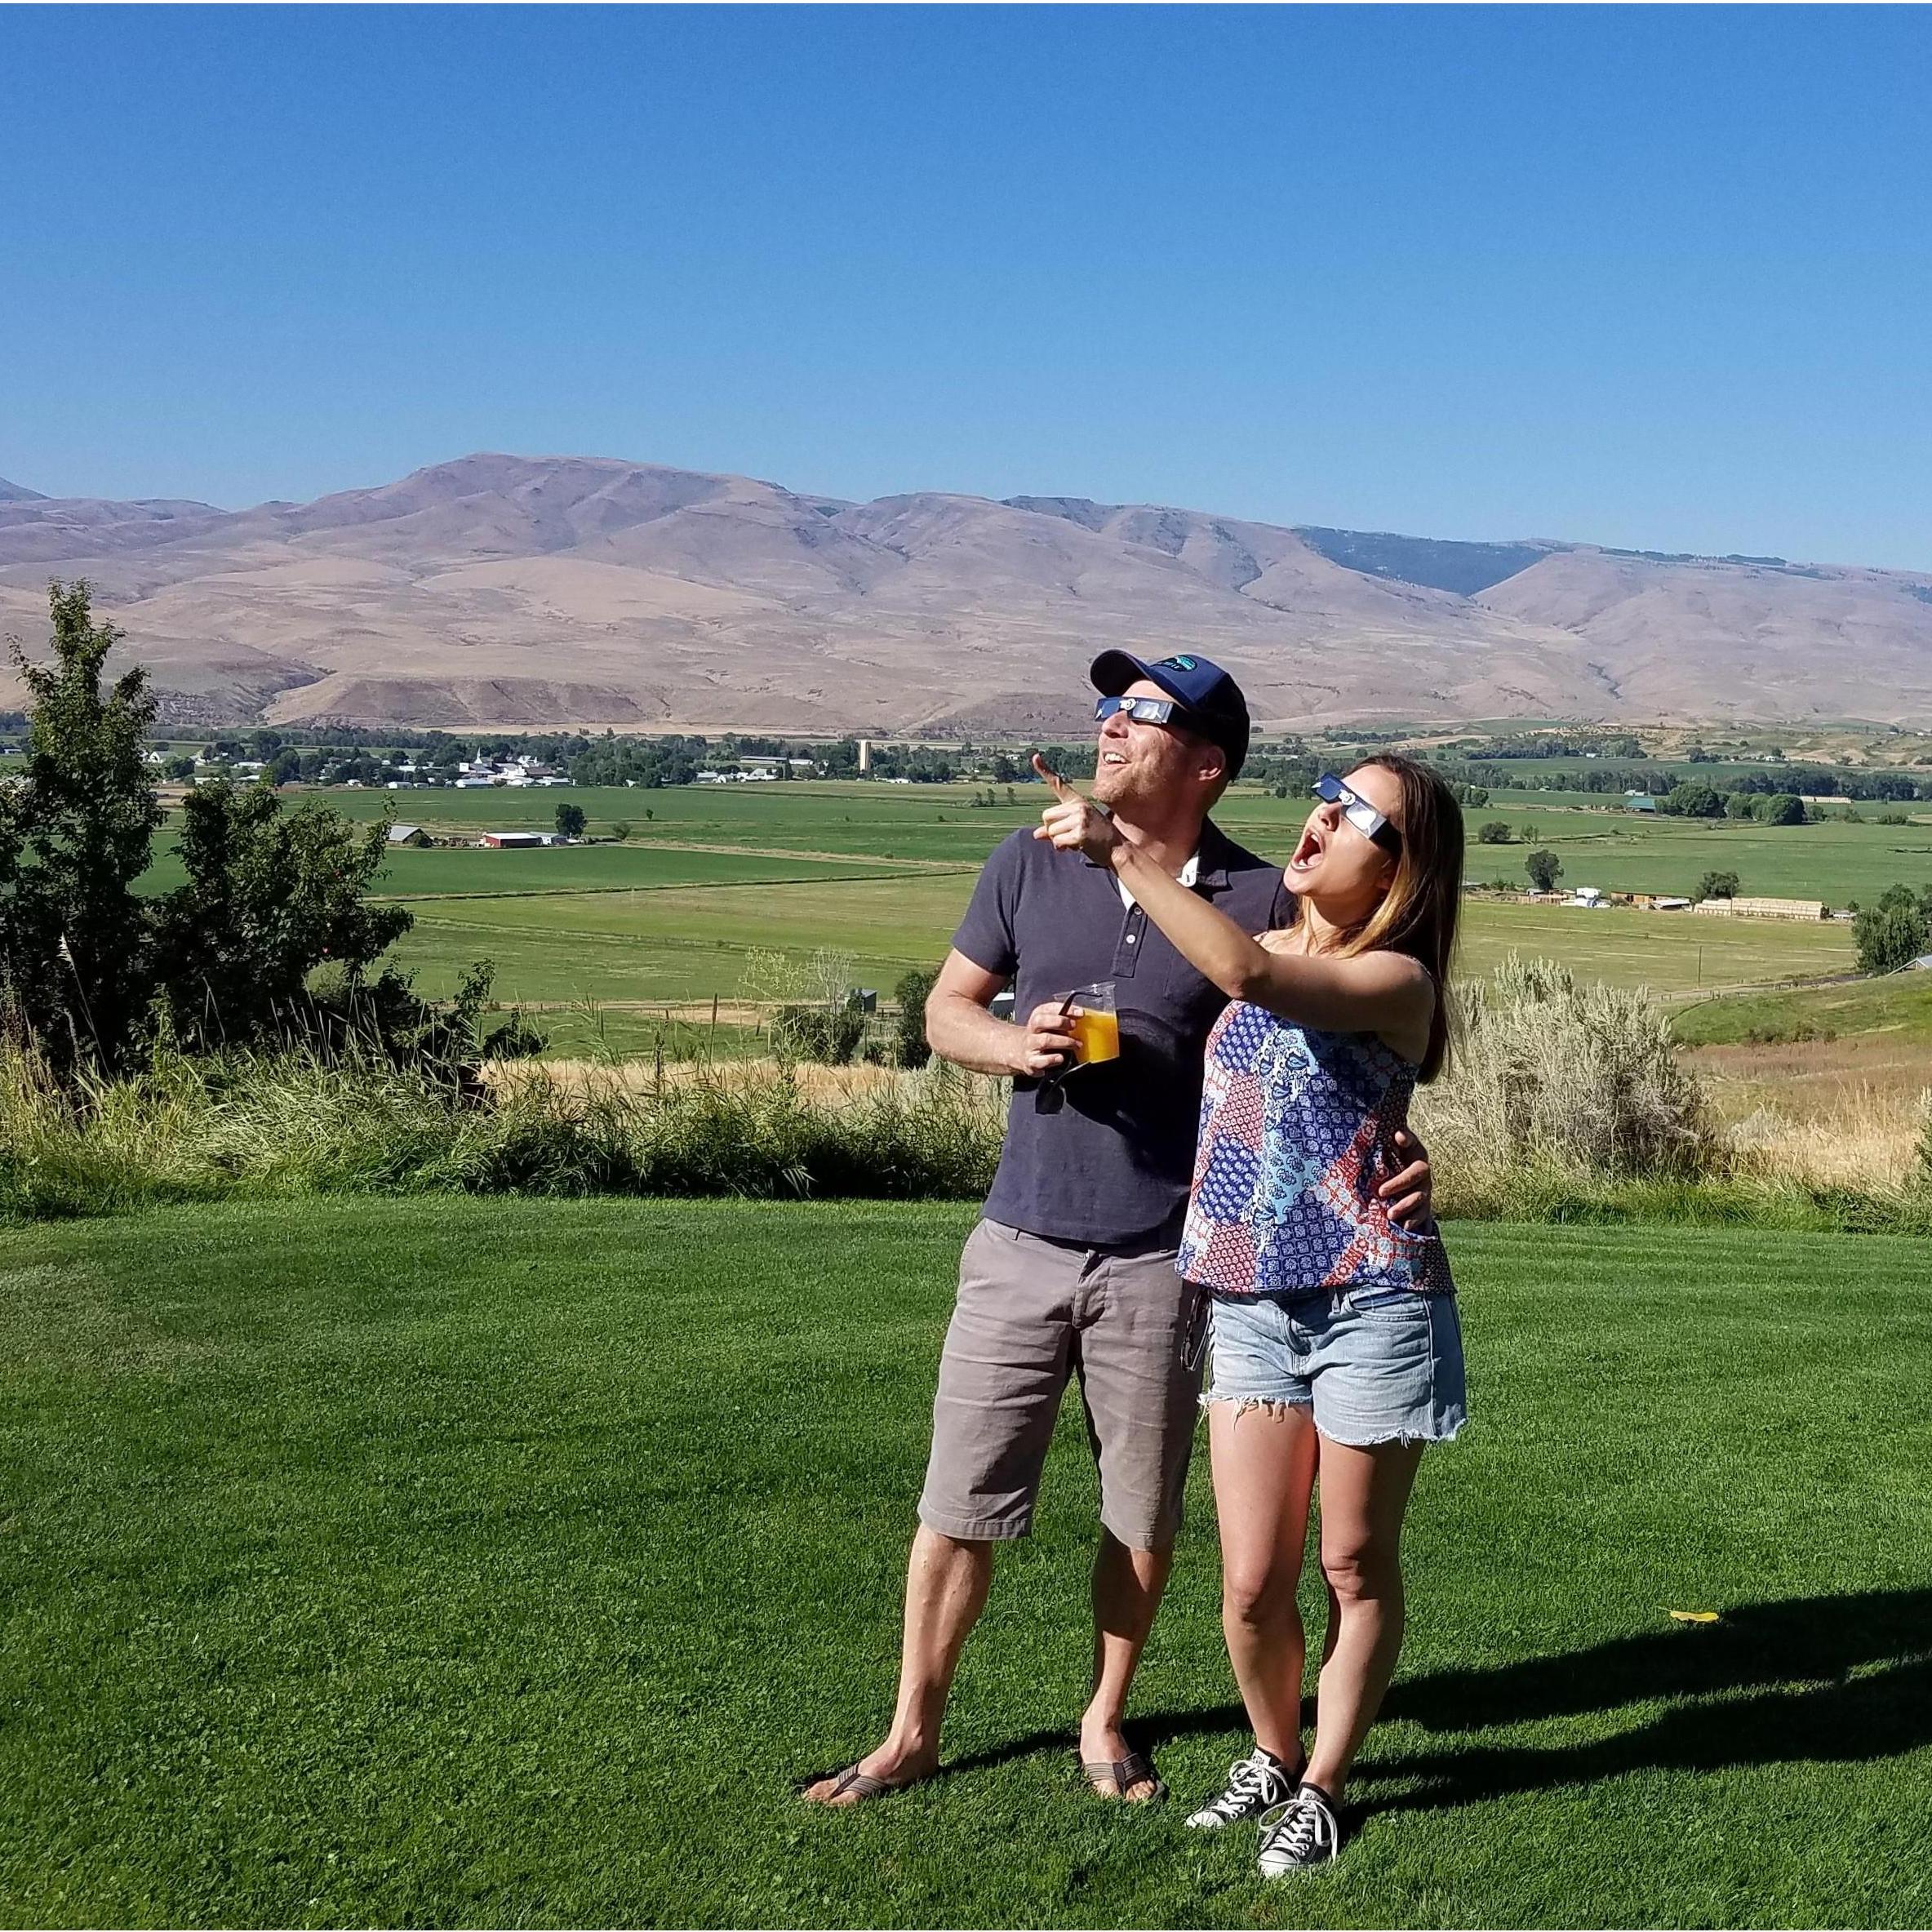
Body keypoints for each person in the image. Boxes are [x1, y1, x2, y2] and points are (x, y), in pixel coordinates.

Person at [804, 654, 1434, 1809]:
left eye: (1142, 713)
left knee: (1139, 1511)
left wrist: (1400, 1149)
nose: (1109, 723)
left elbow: (1361, 1032)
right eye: (1109, 706)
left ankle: (1106, 1719)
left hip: (1168, 1253)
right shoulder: (1025, 862)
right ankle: (912, 1730)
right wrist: (1010, 1042)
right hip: (1020, 1234)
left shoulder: (1260, 902)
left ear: (1205, 762)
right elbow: (945, 1009)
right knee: (959, 1497)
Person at [1036, 752, 1467, 1872]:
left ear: (1401, 871)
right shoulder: (1263, 945)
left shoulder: (1398, 980)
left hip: (1372, 1299)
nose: (1322, 815)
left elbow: (1253, 986)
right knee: (1247, 1580)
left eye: (1359, 814)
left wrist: (1124, 854)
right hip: (1251, 1297)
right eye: (1330, 789)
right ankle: (1276, 1756)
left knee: (1355, 1567)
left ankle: (1325, 1786)